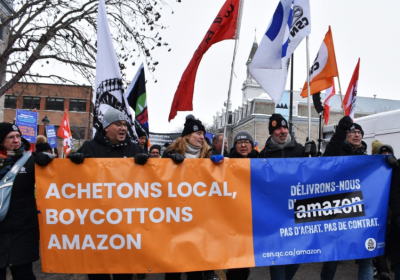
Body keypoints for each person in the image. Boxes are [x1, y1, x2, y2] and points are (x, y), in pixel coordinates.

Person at [68, 108, 149, 280]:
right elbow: (69, 178)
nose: (123, 128)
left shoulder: (134, 148)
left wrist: (146, 163)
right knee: (98, 274)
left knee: (123, 274)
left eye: (125, 125)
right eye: (118, 124)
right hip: (97, 225)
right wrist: (73, 161)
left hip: (125, 226)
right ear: (106, 127)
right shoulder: (89, 147)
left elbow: (152, 180)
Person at [258, 113, 315, 280]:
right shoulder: (263, 155)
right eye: (277, 129)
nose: (282, 131)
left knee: (297, 256)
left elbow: (314, 176)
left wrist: (314, 156)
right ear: (271, 132)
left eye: (284, 127)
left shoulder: (299, 150)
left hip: (296, 214)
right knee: (277, 258)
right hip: (274, 216)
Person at [163, 115, 219, 280]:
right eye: (198, 133)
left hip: (200, 222)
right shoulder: (171, 153)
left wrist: (223, 165)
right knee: (173, 270)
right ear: (187, 135)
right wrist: (168, 163)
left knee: (195, 270)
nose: (202, 137)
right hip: (176, 220)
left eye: (203, 134)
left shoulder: (209, 154)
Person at [0, 123, 54, 280]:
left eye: (18, 136)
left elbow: (58, 177)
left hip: (23, 228)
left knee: (23, 274)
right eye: (11, 137)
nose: (16, 140)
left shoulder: (30, 161)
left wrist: (51, 161)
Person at [321, 116, 372, 280]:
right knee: (333, 257)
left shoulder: (368, 158)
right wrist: (340, 132)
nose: (356, 135)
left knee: (366, 256)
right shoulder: (339, 152)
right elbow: (328, 157)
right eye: (352, 132)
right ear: (345, 135)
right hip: (339, 212)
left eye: (359, 132)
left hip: (362, 213)